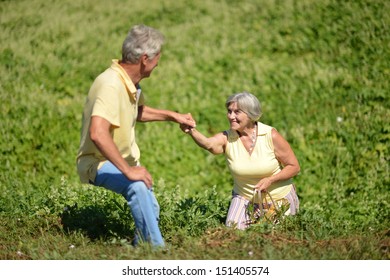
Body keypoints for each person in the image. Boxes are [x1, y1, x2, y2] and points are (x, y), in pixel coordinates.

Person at [77, 24, 196, 247]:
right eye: (157, 58)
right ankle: (157, 252)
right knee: (138, 187)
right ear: (145, 59)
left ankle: (140, 248)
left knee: (150, 207)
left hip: (119, 161)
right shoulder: (111, 84)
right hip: (97, 162)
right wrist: (129, 170)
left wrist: (173, 116)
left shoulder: (129, 82)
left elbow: (137, 111)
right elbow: (97, 133)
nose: (158, 63)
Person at [181, 92, 300, 230]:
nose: (231, 116)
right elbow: (209, 144)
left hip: (278, 198)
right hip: (244, 198)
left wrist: (270, 180)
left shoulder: (270, 135)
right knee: (233, 232)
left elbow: (294, 167)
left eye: (237, 112)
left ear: (250, 114)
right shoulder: (227, 137)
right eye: (229, 111)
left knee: (269, 234)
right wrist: (192, 131)